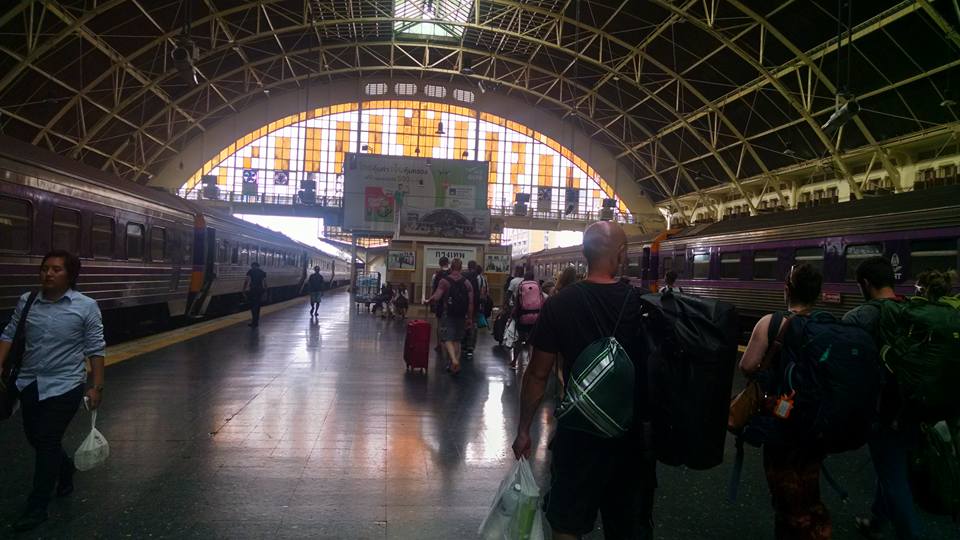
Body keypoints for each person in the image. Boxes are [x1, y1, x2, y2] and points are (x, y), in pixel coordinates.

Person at [512, 221, 655, 540]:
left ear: (585, 255)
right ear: (621, 254)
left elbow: (537, 374)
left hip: (577, 435)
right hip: (627, 440)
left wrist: (523, 430)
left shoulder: (560, 303)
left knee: (567, 524)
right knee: (628, 527)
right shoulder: (641, 302)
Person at [0, 250, 105, 532]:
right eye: (45, 268)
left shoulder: (86, 306)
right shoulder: (28, 300)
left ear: (70, 275)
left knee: (46, 440)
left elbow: (95, 348)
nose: (48, 273)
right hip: (29, 382)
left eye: (56, 269)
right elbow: (10, 333)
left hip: (66, 384)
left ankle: (37, 507)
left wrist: (96, 386)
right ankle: (65, 467)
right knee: (35, 438)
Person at [740, 263, 831, 540]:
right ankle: (815, 526)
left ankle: (797, 529)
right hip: (814, 422)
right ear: (818, 293)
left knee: (784, 490)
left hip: (780, 421)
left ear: (787, 289)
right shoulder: (827, 325)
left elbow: (747, 365)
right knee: (808, 481)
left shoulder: (772, 323)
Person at [843, 257, 918, 540]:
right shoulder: (914, 310)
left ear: (865, 284)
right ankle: (877, 520)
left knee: (895, 479)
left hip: (883, 410)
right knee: (892, 466)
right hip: (918, 404)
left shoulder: (859, 317)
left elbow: (846, 370)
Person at [426, 258, 474, 375]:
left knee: (447, 339)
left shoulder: (444, 281)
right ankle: (454, 365)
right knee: (457, 340)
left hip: (449, 313)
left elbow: (437, 296)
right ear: (461, 268)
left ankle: (453, 360)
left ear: (451, 267)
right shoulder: (467, 283)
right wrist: (469, 318)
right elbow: (471, 302)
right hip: (462, 314)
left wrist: (429, 300)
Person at [510, 270, 542, 370]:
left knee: (519, 339)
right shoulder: (537, 286)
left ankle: (514, 361)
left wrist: (514, 314)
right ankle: (531, 363)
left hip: (523, 316)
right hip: (535, 316)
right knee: (531, 341)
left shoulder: (521, 285)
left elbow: (517, 302)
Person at [461, 261, 483, 360]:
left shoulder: (463, 276)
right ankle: (471, 346)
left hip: (464, 303)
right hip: (475, 304)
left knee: (463, 323)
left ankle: (463, 344)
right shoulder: (480, 278)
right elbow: (483, 292)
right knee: (473, 324)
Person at [242, 261, 268, 327]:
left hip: (253, 291)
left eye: (252, 266)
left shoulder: (250, 271)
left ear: (254, 266)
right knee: (258, 306)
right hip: (260, 291)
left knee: (253, 306)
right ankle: (256, 322)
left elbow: (246, 280)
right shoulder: (262, 272)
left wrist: (244, 289)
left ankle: (254, 322)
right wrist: (265, 291)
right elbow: (265, 283)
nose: (252, 267)